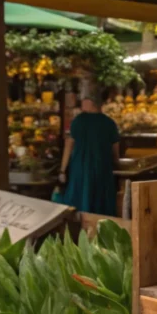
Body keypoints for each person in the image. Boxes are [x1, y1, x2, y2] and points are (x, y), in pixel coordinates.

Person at [60, 82, 120, 216]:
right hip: (102, 169)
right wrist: (116, 164)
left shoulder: (78, 121)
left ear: (89, 102)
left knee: (80, 202)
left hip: (80, 170)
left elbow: (68, 146)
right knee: (101, 204)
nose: (81, 104)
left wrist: (62, 170)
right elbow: (115, 150)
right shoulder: (109, 123)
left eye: (83, 101)